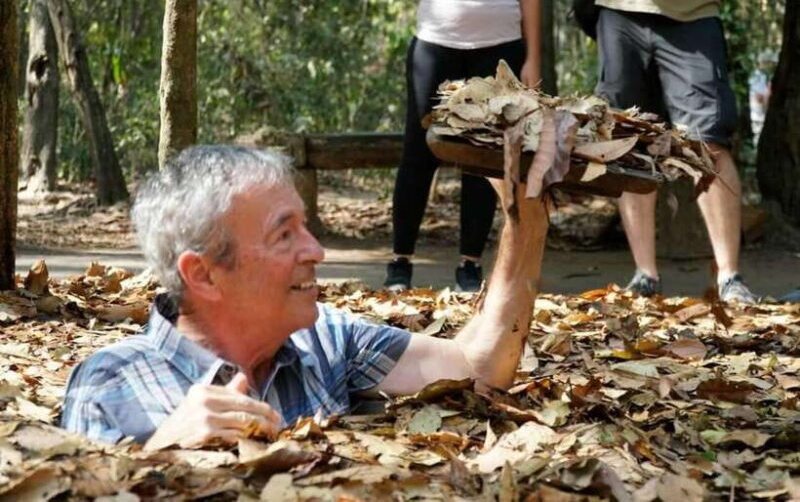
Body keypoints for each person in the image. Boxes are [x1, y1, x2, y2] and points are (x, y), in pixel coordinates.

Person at [61, 145, 549, 448]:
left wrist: (525, 217)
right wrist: (161, 456)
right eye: (284, 235)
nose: (316, 250)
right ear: (204, 275)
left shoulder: (327, 339)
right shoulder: (110, 385)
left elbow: (479, 367)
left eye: (306, 227)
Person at [583, 0, 757, 303]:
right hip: (620, 11)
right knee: (628, 142)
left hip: (694, 14)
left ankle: (729, 278)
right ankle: (644, 276)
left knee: (708, 142)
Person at [385, 0, 541, 292]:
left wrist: (533, 59)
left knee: (482, 156)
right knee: (419, 151)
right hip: (436, 42)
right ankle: (400, 262)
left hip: (500, 47)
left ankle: (469, 264)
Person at [748, 50, 775, 145]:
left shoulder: (766, 76)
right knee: (759, 141)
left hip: (763, 116)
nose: (771, 65)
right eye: (769, 63)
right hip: (758, 116)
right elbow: (759, 97)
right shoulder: (758, 76)